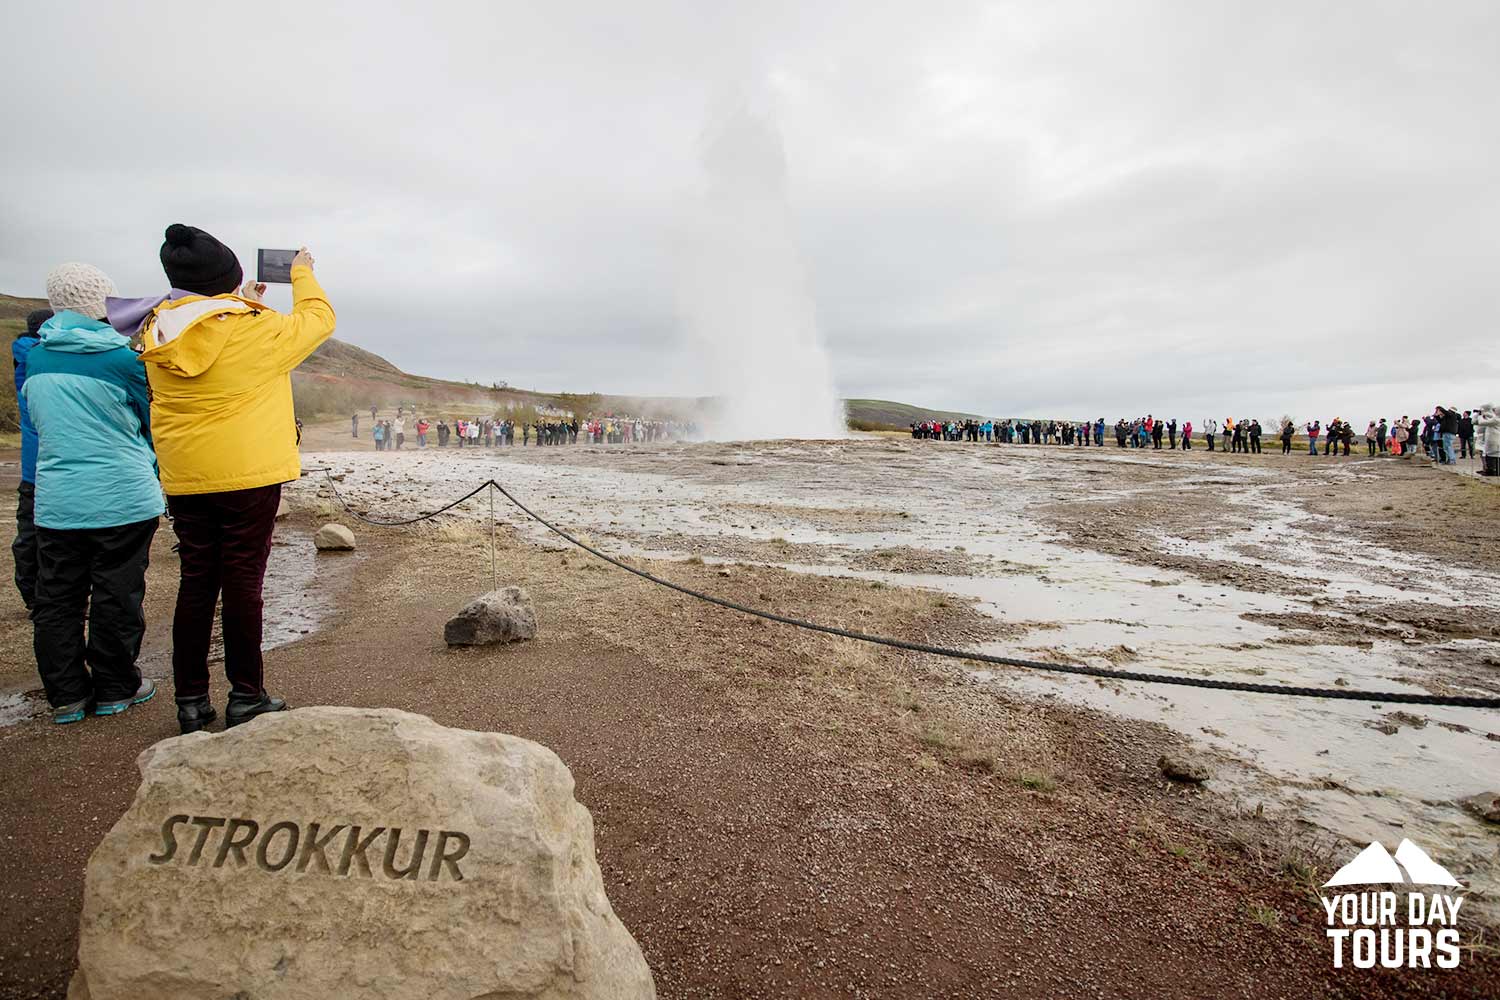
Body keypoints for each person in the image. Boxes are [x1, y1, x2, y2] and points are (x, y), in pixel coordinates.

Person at [133, 225, 335, 733]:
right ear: (227, 278)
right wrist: (301, 271)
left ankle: (192, 703)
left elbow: (210, 340)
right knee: (243, 582)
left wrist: (237, 304)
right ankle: (247, 694)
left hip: (186, 475)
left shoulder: (158, 327)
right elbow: (318, 318)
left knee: (197, 581)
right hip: (247, 475)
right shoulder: (254, 330)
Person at [23, 264, 164, 724]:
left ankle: (66, 695)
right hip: (123, 494)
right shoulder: (124, 359)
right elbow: (151, 420)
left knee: (57, 598)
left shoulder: (38, 357)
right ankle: (115, 687)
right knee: (117, 593)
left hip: (58, 498)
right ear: (106, 302)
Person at [11, 308, 51, 610]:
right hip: (49, 464)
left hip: (32, 467)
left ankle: (32, 594)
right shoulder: (42, 359)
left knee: (29, 533)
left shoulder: (24, 358)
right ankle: (42, 595)